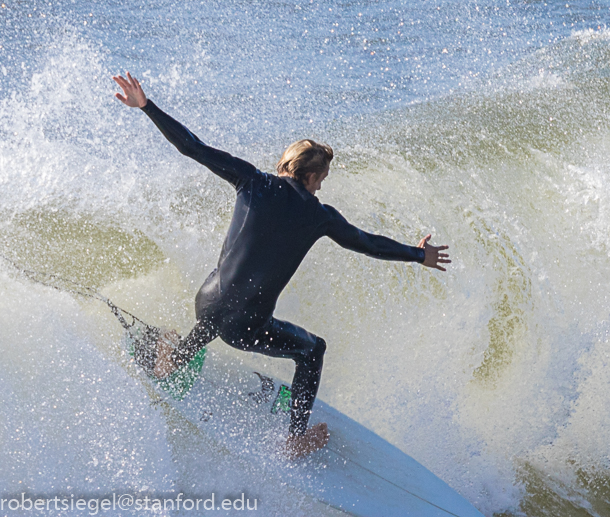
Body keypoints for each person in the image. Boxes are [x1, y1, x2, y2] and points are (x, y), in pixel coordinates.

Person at [112, 72, 451, 459]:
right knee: (312, 351)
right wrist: (416, 253)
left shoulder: (250, 180)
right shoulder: (320, 216)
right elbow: (366, 243)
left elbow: (193, 147)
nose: (322, 187)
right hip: (245, 329)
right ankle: (295, 439)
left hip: (205, 302)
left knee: (220, 299)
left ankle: (176, 356)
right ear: (309, 176)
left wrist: (147, 106)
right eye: (321, 179)